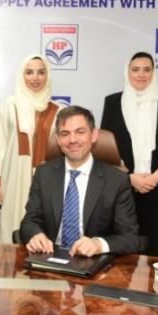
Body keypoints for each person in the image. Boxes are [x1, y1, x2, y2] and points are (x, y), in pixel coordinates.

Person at [20, 106, 141, 257]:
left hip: (94, 260)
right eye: (65, 134)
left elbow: (130, 238)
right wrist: (35, 235)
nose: (72, 140)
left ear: (94, 135)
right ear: (57, 139)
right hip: (51, 256)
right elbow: (30, 221)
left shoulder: (117, 180)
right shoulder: (44, 173)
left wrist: (98, 244)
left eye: (80, 132)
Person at [100, 52, 158, 257]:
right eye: (135, 69)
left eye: (147, 69)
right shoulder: (113, 102)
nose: (141, 74)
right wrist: (130, 178)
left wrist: (154, 178)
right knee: (123, 249)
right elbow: (106, 148)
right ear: (127, 72)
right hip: (123, 188)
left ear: (153, 72)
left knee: (155, 250)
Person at [0, 55, 61, 243]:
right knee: (10, 227)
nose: (35, 78)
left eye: (41, 72)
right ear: (21, 76)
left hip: (46, 182)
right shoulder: (9, 105)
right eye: (29, 72)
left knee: (41, 232)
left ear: (48, 76)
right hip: (12, 179)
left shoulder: (58, 110)